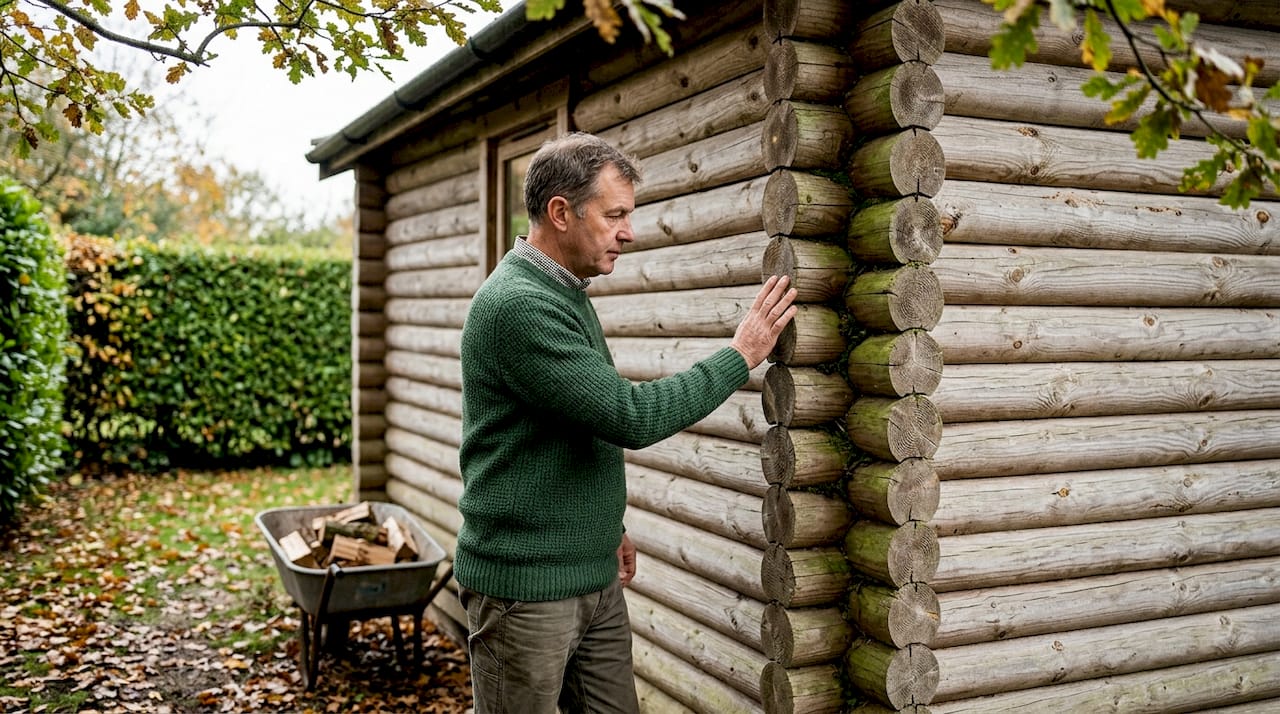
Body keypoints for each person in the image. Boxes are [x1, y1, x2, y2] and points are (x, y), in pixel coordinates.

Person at [456, 131, 798, 714]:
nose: (629, 232)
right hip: (525, 590)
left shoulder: (564, 292)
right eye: (615, 215)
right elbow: (628, 416)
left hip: (591, 575)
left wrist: (603, 525)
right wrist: (740, 354)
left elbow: (573, 423)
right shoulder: (517, 304)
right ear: (561, 213)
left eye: (629, 216)